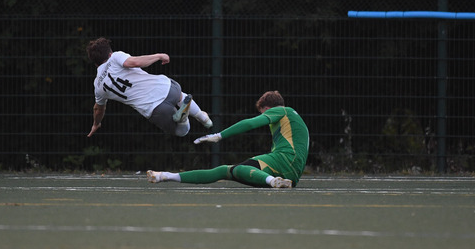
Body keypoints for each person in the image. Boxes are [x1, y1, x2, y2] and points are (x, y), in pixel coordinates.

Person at [148, 90, 309, 189]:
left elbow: (250, 123)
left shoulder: (282, 111)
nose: (263, 116)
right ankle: (165, 176)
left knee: (237, 169)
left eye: (263, 112)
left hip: (284, 159)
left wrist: (219, 136)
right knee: (224, 171)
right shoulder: (292, 120)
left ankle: (272, 181)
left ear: (268, 108)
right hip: (292, 174)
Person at [86, 37, 212, 137]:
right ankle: (202, 116)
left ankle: (183, 120)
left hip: (154, 109)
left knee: (181, 132)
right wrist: (159, 56)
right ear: (109, 53)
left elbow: (98, 109)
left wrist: (96, 124)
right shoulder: (115, 57)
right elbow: (135, 62)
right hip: (166, 87)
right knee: (180, 96)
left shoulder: (98, 85)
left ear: (95, 63)